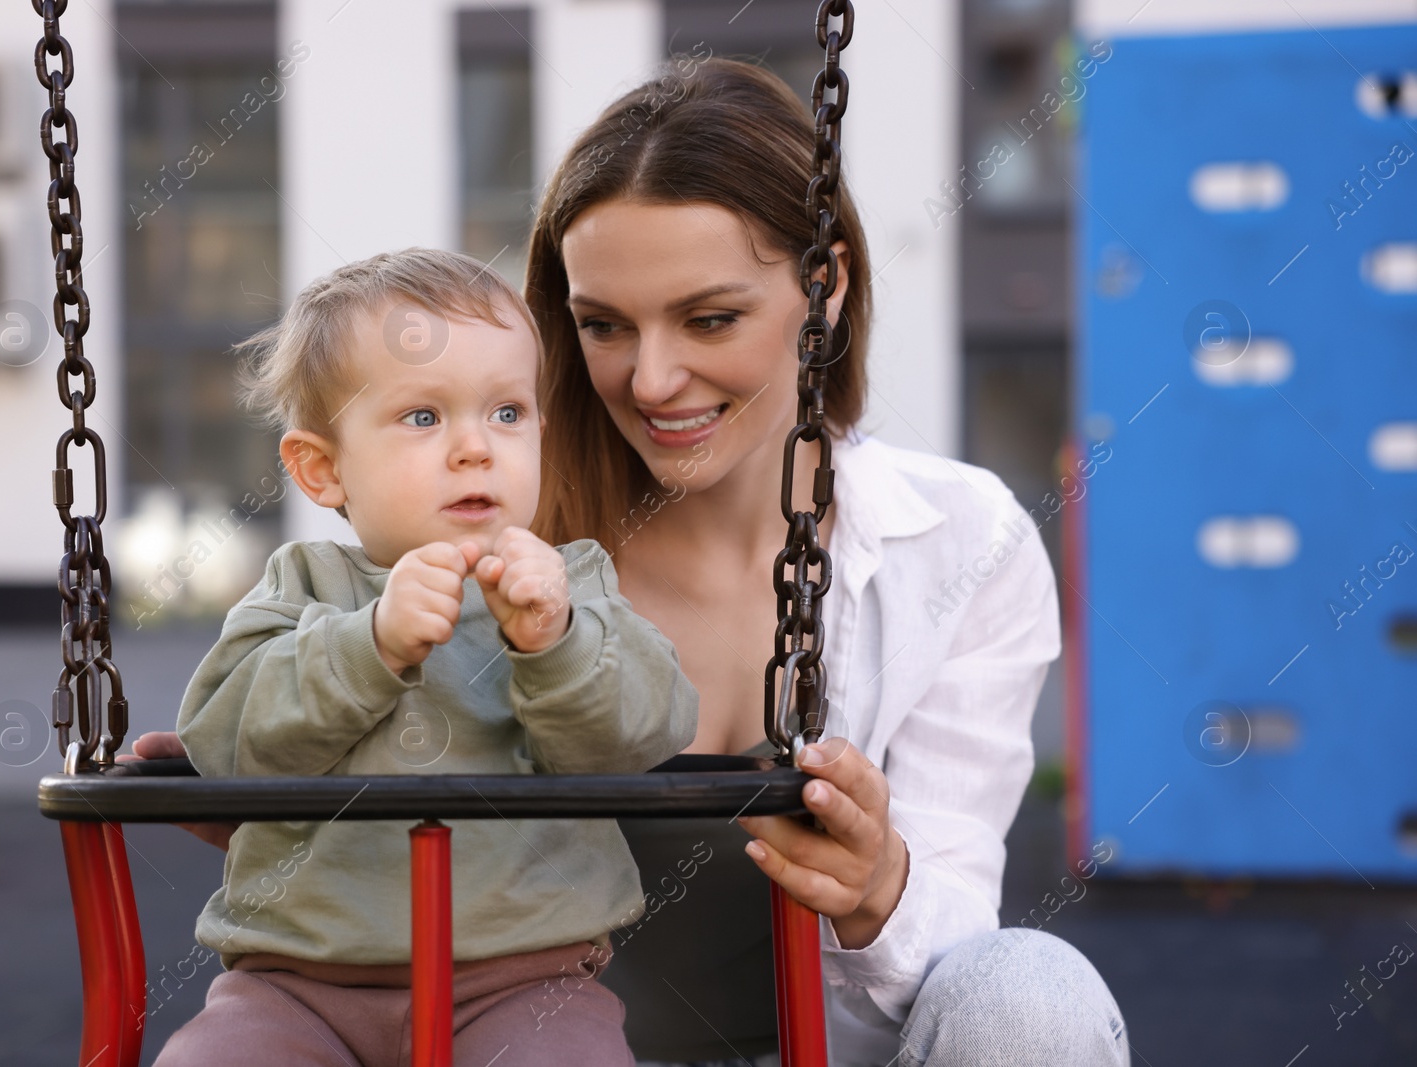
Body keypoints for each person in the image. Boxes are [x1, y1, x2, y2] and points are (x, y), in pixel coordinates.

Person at [135, 58, 1130, 1066]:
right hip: (512, 1035)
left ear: (819, 288)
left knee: (1030, 989)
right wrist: (316, 781)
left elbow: (953, 937)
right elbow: (261, 720)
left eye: (708, 318)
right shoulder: (489, 535)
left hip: (811, 1043)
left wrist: (882, 885)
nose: (650, 379)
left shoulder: (957, 540)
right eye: (603, 324)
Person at [147, 248, 699, 1067]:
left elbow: (648, 731)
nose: (476, 447)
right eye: (423, 417)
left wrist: (557, 642)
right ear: (322, 468)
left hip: (525, 980)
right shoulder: (305, 586)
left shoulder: (571, 582)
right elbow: (223, 736)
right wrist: (369, 643)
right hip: (295, 986)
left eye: (508, 413)